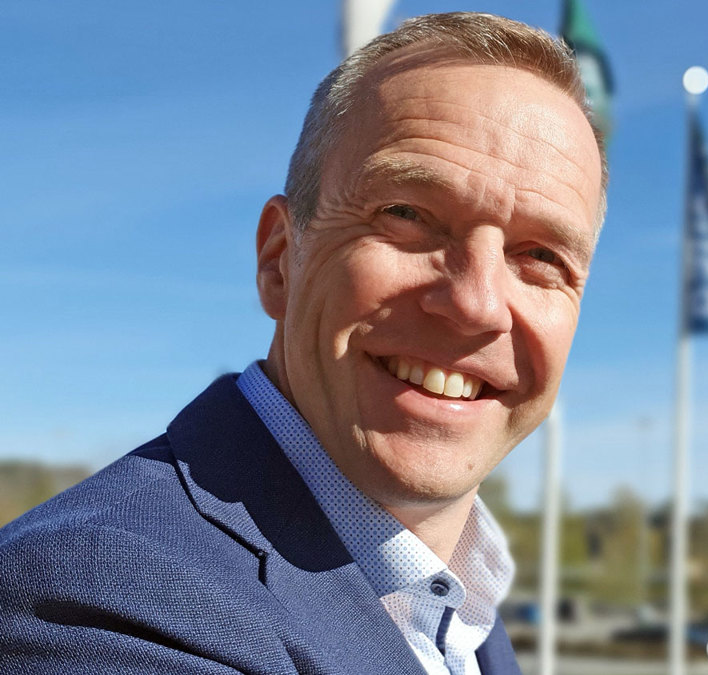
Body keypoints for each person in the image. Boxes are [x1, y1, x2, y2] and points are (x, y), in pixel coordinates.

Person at [0, 12, 606, 675]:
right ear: (279, 259)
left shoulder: (454, 603)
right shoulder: (101, 599)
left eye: (542, 256)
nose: (477, 304)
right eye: (406, 215)